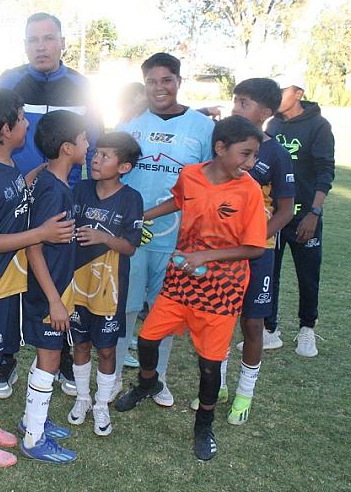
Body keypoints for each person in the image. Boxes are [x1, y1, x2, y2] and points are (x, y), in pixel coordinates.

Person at [0, 12, 103, 398]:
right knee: (10, 280)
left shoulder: (80, 86)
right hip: (16, 201)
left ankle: (62, 355)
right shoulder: (10, 80)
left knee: (56, 275)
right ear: (24, 45)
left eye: (47, 38)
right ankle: (3, 359)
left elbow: (94, 141)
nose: (40, 46)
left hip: (60, 197)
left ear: (61, 41)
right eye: (32, 40)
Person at [115, 115, 267, 461]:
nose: (250, 163)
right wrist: (143, 216)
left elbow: (255, 247)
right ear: (220, 148)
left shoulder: (249, 190)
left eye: (254, 155)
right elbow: (180, 201)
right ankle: (147, 382)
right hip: (181, 282)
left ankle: (204, 426)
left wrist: (206, 256)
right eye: (245, 154)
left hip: (222, 291)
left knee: (210, 365)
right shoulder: (191, 175)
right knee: (148, 339)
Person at [0, 89, 75, 468]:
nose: (27, 124)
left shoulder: (7, 168)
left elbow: (14, 198)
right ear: (6, 129)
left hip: (8, 284)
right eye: (22, 118)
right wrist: (40, 234)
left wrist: (36, 175)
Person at [187, 78, 294, 425]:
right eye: (236, 100)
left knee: (251, 322)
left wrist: (254, 238)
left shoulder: (276, 154)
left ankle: (244, 394)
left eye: (244, 102)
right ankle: (215, 386)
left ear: (265, 112)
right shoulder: (222, 145)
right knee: (219, 318)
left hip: (257, 253)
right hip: (220, 253)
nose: (236, 107)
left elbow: (286, 210)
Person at [118, 52, 215, 407]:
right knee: (126, 308)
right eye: (152, 81)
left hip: (177, 237)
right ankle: (111, 377)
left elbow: (209, 183)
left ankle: (157, 378)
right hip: (133, 236)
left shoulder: (202, 127)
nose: (160, 87)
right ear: (144, 84)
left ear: (178, 81)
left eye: (167, 80)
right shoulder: (131, 126)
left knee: (166, 310)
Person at [18, 110, 88, 464]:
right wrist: (53, 301)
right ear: (66, 148)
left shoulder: (54, 182)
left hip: (57, 290)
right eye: (83, 139)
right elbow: (34, 247)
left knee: (46, 357)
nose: (88, 144)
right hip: (49, 294)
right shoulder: (52, 191)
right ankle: (33, 438)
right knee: (48, 360)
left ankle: (35, 418)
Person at [67, 132, 144, 437]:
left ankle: (101, 402)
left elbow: (130, 247)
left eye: (105, 156)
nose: (96, 159)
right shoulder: (81, 189)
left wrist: (103, 238)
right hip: (78, 283)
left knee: (108, 349)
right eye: (95, 153)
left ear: (123, 167)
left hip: (109, 288)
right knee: (81, 343)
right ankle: (83, 398)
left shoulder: (131, 198)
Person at [267, 73, 335, 357]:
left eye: (281, 91)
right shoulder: (273, 123)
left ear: (298, 92)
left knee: (308, 275)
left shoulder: (319, 125)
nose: (276, 97)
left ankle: (307, 330)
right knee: (270, 272)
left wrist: (314, 213)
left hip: (305, 217)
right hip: (274, 214)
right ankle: (269, 330)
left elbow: (325, 171)